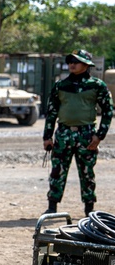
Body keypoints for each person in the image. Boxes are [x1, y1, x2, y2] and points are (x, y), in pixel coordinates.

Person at [43, 49, 113, 216]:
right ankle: (52, 207)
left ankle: (89, 209)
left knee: (87, 173)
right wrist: (47, 136)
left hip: (86, 135)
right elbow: (51, 112)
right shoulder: (60, 86)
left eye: (76, 61)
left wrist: (99, 136)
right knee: (57, 172)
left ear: (87, 65)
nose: (72, 64)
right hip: (63, 134)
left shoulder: (97, 86)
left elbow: (108, 111)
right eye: (70, 61)